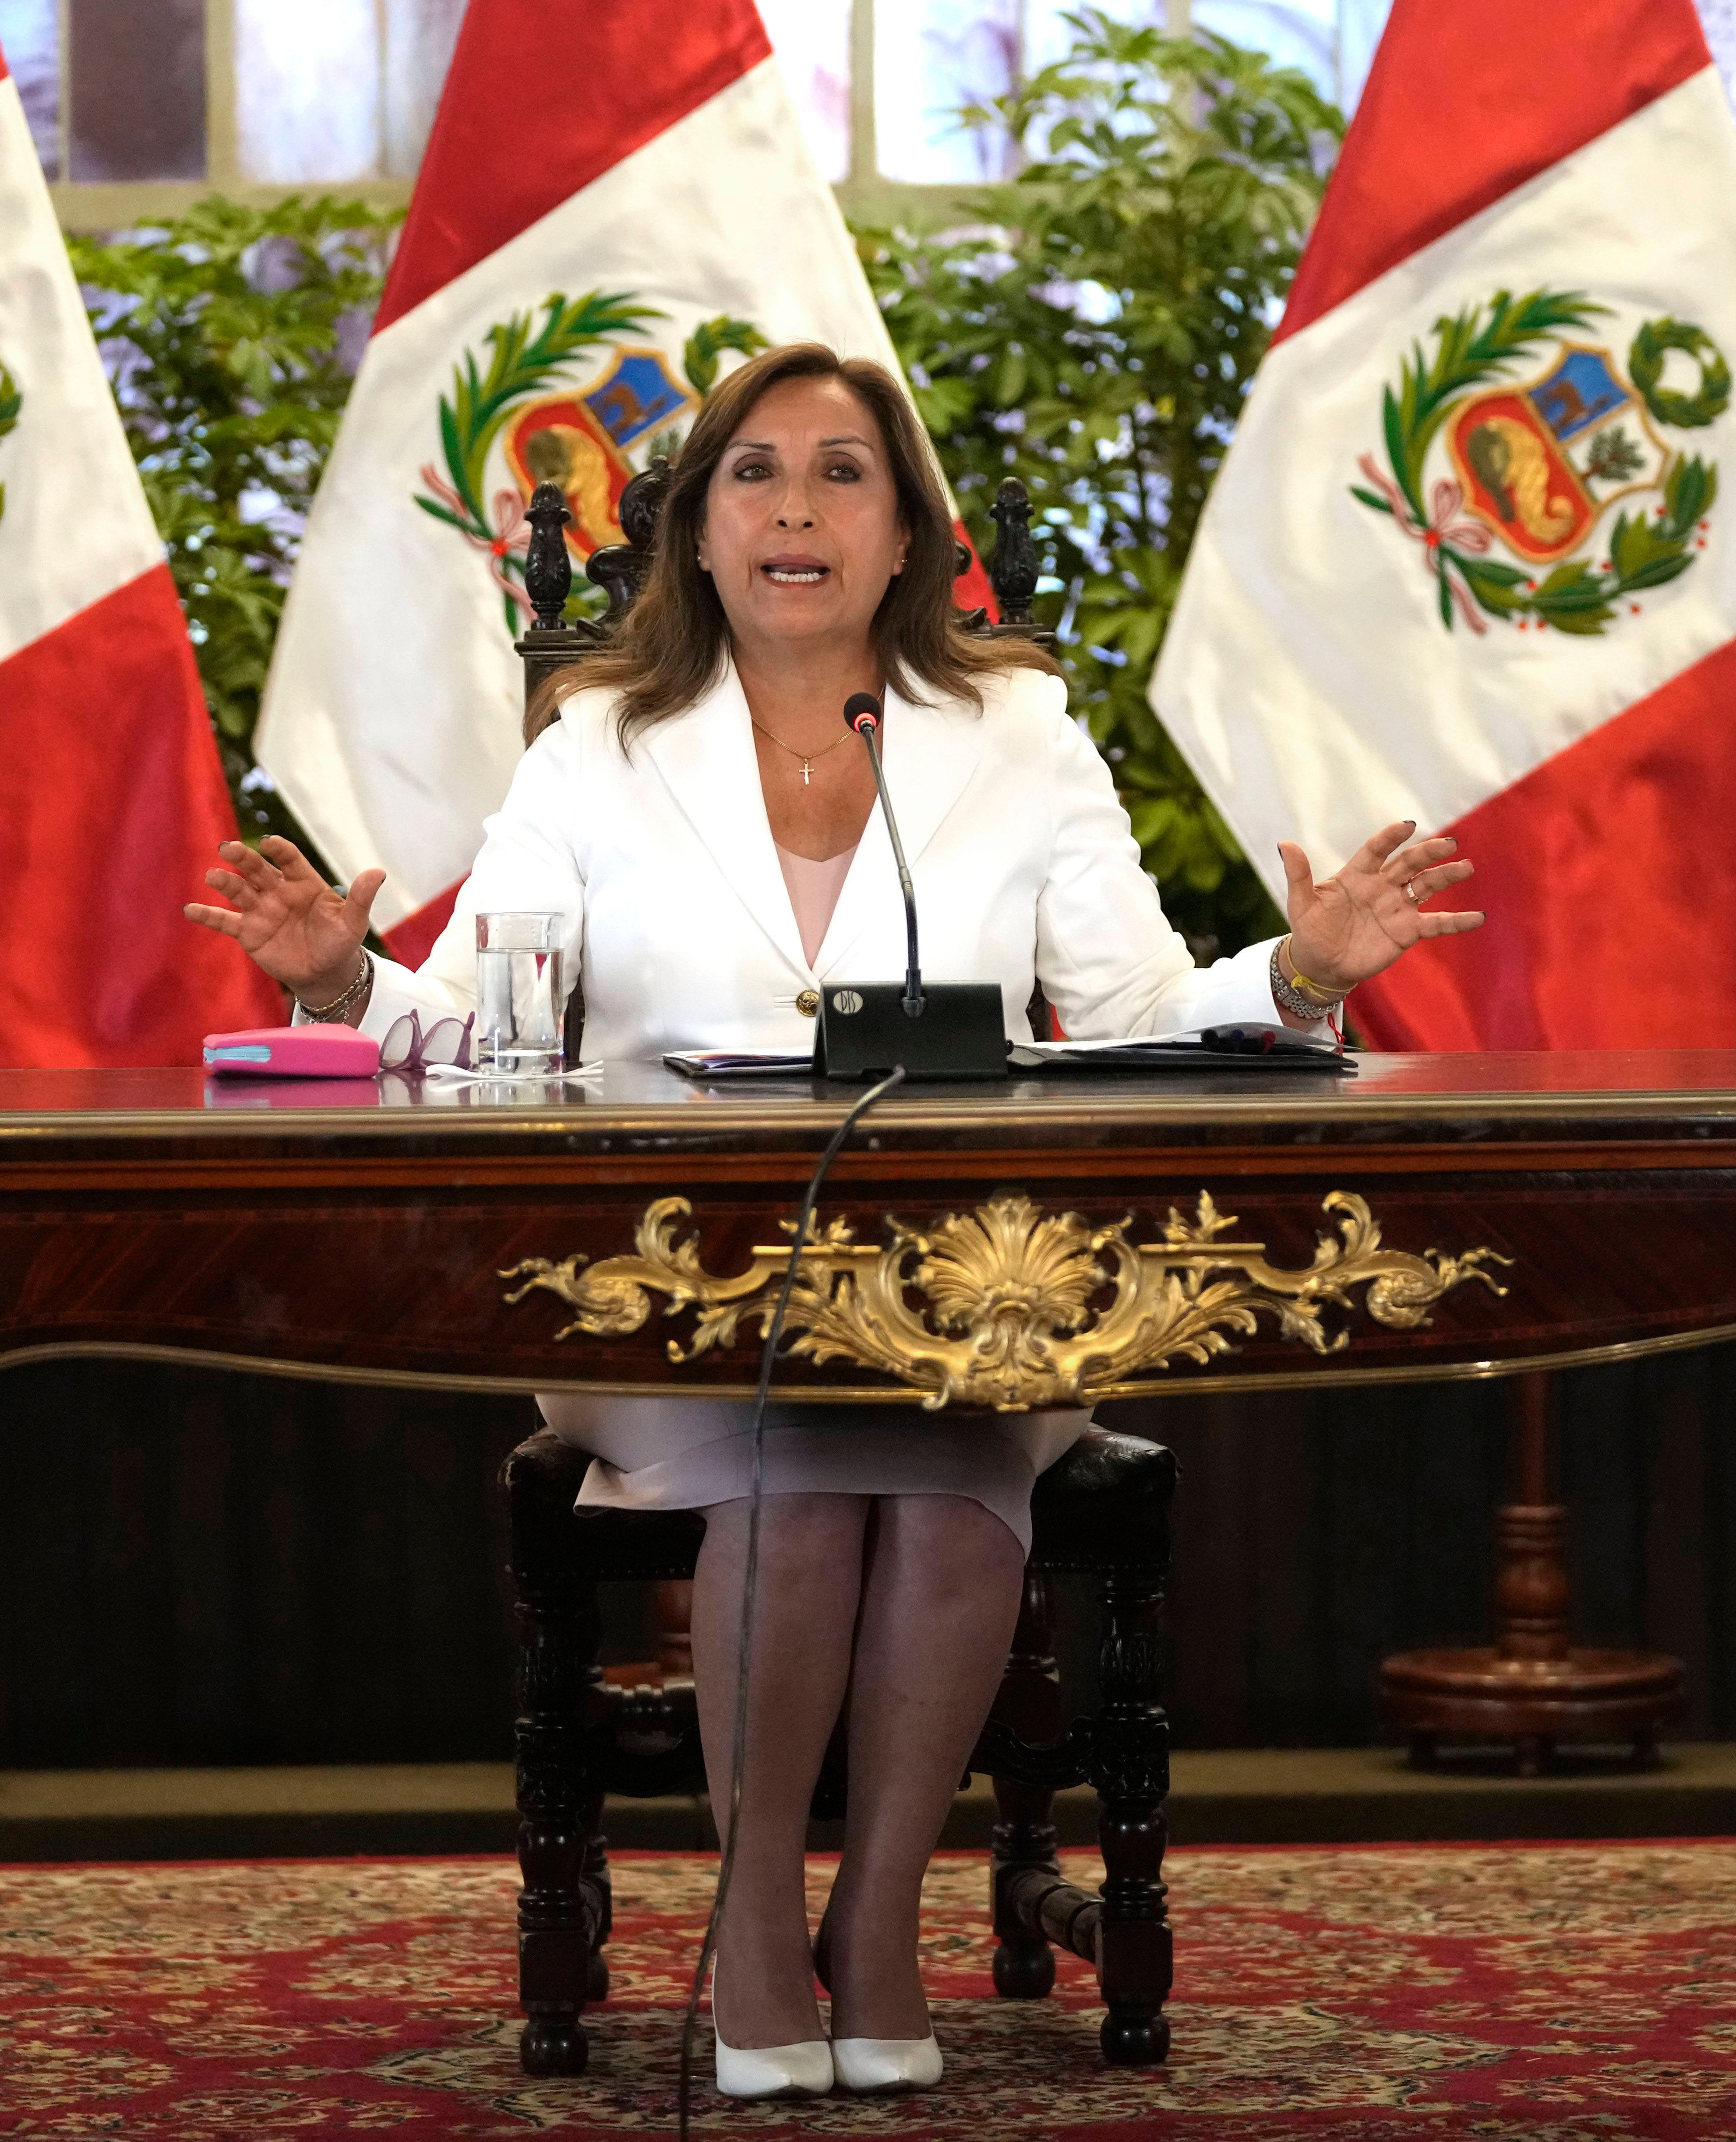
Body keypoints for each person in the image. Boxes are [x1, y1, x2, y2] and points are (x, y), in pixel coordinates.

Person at [184, 343, 1478, 2099]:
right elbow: (494, 1034)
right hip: (658, 1294)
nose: (796, 507)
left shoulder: (1014, 738)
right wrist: (346, 981)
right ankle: (748, 1922)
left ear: (906, 535)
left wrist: (1305, 971)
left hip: (966, 1296)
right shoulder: (595, 748)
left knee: (941, 1485)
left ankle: (874, 1922)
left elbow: (1138, 1013)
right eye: (756, 472)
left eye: (842, 472)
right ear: (698, 532)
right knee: (794, 1477)